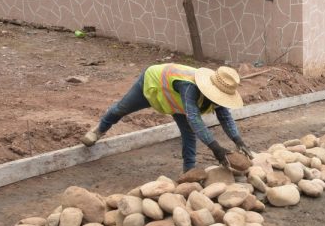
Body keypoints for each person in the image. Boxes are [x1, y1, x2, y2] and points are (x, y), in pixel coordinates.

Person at [81, 63, 252, 171]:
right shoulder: (189, 87)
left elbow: (225, 117)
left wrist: (238, 141)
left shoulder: (218, 94)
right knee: (121, 108)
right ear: (211, 88)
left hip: (174, 101)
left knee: (188, 133)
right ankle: (99, 130)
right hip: (153, 85)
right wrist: (216, 148)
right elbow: (194, 119)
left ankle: (189, 171)